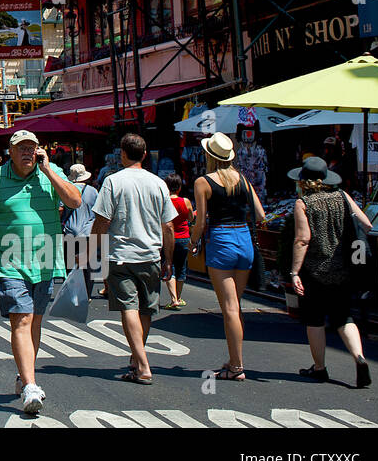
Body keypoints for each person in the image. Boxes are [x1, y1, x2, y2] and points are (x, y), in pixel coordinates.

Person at [0, 130, 81, 415]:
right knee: (21, 319)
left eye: (32, 148)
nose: (27, 153)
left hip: (46, 260)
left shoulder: (50, 172)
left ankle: (24, 374)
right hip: (11, 261)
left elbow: (74, 201)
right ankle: (31, 385)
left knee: (34, 323)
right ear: (11, 152)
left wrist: (49, 170)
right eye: (21, 148)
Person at [90, 133, 176, 385]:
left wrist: (91, 249)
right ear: (145, 154)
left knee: (128, 308)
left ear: (123, 154)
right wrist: (168, 259)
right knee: (146, 309)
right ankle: (136, 359)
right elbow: (168, 225)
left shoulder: (113, 181)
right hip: (150, 255)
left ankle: (142, 364)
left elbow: (103, 220)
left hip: (121, 256)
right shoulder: (159, 183)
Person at [287, 157, 373, 388]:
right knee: (344, 317)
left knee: (314, 320)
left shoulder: (303, 203)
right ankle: (359, 356)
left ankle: (319, 368)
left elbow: (302, 240)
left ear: (303, 181)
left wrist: (295, 272)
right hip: (344, 270)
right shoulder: (343, 197)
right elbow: (367, 225)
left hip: (315, 271)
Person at [191, 132, 267, 381]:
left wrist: (193, 242)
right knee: (236, 305)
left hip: (221, 240)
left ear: (209, 155)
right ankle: (235, 360)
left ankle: (236, 367)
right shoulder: (242, 180)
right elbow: (260, 215)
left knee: (229, 308)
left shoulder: (204, 182)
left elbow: (201, 221)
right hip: (244, 240)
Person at [61, 163, 98, 295]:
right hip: (88, 231)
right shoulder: (93, 191)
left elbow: (61, 209)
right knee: (88, 265)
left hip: (70, 231)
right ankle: (87, 293)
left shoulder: (67, 190)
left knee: (70, 264)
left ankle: (73, 291)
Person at [161, 173, 194, 310]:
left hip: (168, 238)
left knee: (170, 266)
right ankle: (178, 298)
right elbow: (191, 218)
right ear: (179, 187)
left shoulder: (164, 201)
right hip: (184, 238)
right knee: (181, 268)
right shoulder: (185, 201)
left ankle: (173, 298)